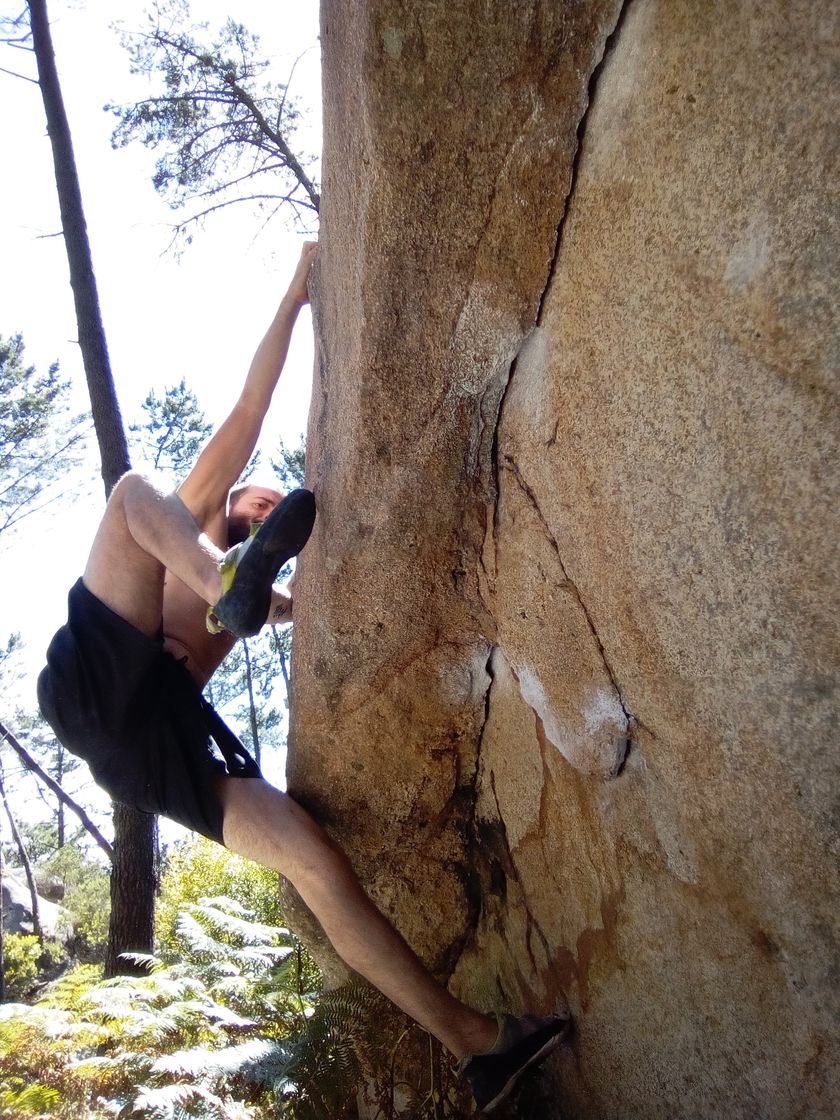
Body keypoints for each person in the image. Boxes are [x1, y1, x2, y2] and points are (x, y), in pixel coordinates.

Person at [37, 242, 570, 1112]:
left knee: (318, 863)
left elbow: (320, 540)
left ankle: (480, 1047)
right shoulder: (199, 507)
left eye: (273, 514)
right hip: (92, 681)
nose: (264, 507)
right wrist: (294, 296)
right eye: (259, 506)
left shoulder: (276, 599)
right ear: (235, 507)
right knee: (137, 491)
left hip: (151, 745)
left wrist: (286, 588)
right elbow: (253, 405)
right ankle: (222, 591)